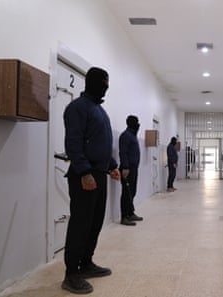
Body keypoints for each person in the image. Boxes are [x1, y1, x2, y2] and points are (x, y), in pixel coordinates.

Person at [62, 67, 120, 294]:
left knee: (95, 223)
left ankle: (86, 263)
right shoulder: (77, 108)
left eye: (107, 82)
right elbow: (73, 144)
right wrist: (85, 172)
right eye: (103, 82)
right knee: (80, 224)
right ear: (92, 82)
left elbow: (102, 143)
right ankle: (71, 274)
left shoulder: (99, 110)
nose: (106, 85)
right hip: (84, 176)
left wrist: (112, 166)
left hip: (100, 174)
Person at [119, 115, 143, 226]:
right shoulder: (125, 136)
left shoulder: (133, 135)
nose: (138, 124)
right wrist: (125, 167)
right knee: (126, 192)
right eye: (136, 122)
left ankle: (130, 212)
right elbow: (123, 152)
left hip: (133, 168)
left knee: (132, 191)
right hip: (127, 169)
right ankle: (124, 217)